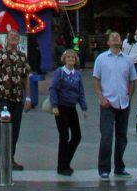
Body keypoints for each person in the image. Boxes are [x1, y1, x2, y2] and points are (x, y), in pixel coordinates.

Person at [92, 31, 137, 179]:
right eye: (112, 37)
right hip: (107, 103)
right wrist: (101, 97)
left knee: (122, 136)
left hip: (123, 103)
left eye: (117, 36)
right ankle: (104, 168)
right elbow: (95, 79)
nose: (115, 38)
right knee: (106, 136)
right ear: (108, 42)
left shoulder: (128, 60)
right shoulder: (101, 59)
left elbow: (132, 80)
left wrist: (129, 97)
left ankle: (119, 166)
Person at [0, 28, 32, 172]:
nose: (13, 38)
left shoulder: (22, 57)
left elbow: (25, 78)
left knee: (15, 129)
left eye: (16, 36)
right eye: (11, 36)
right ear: (7, 39)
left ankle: (9, 158)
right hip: (1, 97)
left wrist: (28, 97)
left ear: (19, 40)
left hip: (17, 97)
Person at [50, 48, 88, 177]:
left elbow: (81, 91)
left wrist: (84, 108)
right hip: (61, 107)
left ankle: (66, 161)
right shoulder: (59, 72)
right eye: (68, 57)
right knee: (64, 136)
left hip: (72, 107)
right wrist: (54, 105)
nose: (71, 59)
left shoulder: (77, 74)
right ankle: (62, 166)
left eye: (73, 57)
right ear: (64, 59)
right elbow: (53, 88)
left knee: (77, 136)